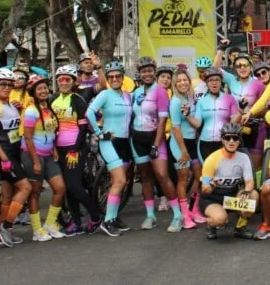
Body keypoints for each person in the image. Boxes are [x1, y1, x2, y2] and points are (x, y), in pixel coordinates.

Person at [130, 56, 183, 232]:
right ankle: (150, 215)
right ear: (139, 74)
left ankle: (177, 215)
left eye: (149, 71)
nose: (147, 74)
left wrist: (155, 144)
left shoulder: (160, 91)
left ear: (154, 72)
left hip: (155, 138)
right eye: (143, 71)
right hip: (137, 139)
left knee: (162, 175)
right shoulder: (136, 92)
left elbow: (162, 121)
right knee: (145, 177)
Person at [48, 64, 100, 236]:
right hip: (59, 149)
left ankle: (95, 216)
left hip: (75, 148)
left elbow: (84, 128)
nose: (63, 82)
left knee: (74, 185)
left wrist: (75, 149)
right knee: (68, 188)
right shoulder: (52, 99)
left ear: (73, 82)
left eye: (67, 80)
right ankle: (76, 222)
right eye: (61, 79)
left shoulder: (78, 99)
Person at [0, 68, 32, 245]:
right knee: (25, 188)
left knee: (8, 193)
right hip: (2, 153)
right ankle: (5, 225)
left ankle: (3, 231)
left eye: (10, 85)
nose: (7, 88)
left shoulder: (10, 104)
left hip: (13, 151)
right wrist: (3, 158)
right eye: (3, 84)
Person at [87, 61, 134, 236]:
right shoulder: (105, 94)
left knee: (120, 183)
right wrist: (99, 133)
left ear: (123, 78)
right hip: (109, 142)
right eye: (111, 77)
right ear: (107, 79)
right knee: (120, 180)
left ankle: (113, 217)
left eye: (118, 76)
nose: (114, 79)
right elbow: (90, 112)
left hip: (125, 143)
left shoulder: (128, 96)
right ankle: (107, 222)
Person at [22, 75, 67, 241]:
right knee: (35, 193)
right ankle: (36, 230)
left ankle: (49, 223)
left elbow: (50, 132)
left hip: (48, 155)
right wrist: (35, 161)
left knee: (60, 188)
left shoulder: (48, 108)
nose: (43, 91)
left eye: (45, 88)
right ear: (33, 92)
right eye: (39, 89)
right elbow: (27, 138)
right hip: (33, 155)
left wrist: (54, 148)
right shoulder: (31, 111)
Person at [198, 122, 257, 240]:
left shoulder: (243, 158)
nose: (231, 141)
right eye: (227, 138)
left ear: (239, 140)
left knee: (253, 195)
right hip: (212, 198)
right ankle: (211, 224)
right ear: (222, 140)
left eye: (235, 138)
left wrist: (246, 192)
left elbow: (249, 182)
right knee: (220, 220)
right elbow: (204, 190)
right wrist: (212, 185)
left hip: (231, 197)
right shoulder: (212, 159)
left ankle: (240, 227)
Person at [168, 67, 202, 230]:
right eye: (179, 81)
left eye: (185, 80)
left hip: (192, 142)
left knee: (200, 176)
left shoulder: (190, 97)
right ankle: (185, 215)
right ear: (175, 84)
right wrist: (183, 151)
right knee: (183, 179)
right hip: (179, 144)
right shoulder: (175, 101)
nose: (182, 83)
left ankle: (194, 209)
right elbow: (175, 128)